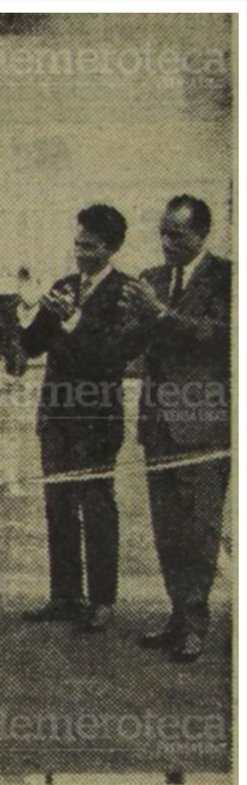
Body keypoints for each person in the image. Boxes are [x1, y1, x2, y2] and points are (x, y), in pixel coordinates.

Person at [119, 195, 231, 663]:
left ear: (202, 234)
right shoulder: (152, 279)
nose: (167, 243)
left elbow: (220, 337)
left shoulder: (228, 278)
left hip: (203, 427)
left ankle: (195, 624)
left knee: (199, 528)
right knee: (166, 529)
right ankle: (178, 617)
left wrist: (161, 314)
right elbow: (131, 346)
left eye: (177, 235)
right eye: (163, 233)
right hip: (159, 426)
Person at [18, 205, 139, 633]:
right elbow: (33, 346)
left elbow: (112, 355)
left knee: (97, 504)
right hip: (56, 414)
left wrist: (73, 319)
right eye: (78, 244)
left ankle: (102, 600)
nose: (81, 253)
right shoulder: (63, 285)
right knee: (58, 505)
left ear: (113, 247)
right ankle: (65, 595)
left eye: (91, 246)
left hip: (96, 418)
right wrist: (30, 309)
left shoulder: (126, 293)